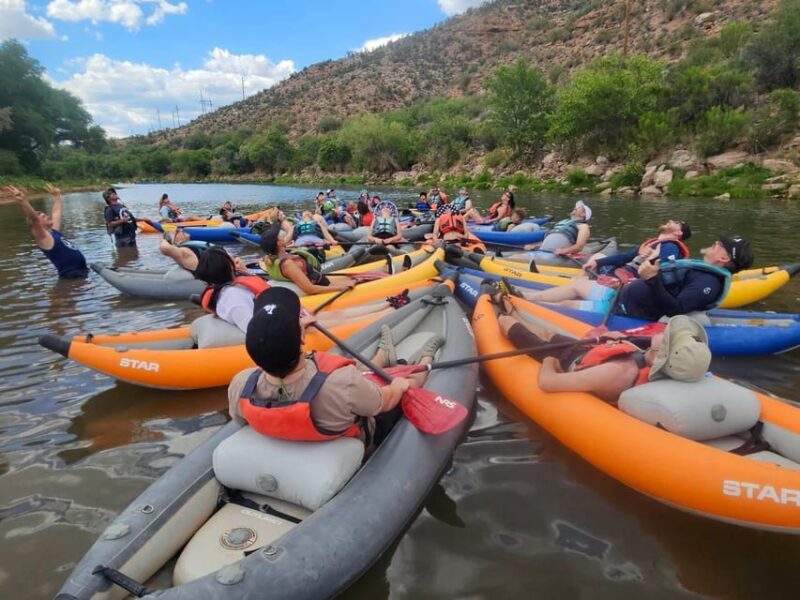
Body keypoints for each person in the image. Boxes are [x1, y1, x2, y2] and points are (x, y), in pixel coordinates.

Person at [227, 287, 444, 445]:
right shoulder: (342, 381)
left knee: (352, 377)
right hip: (354, 431)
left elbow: (241, 420)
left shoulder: (241, 384)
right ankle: (425, 362)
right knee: (403, 382)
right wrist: (398, 386)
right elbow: (385, 401)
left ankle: (382, 356)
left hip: (326, 404)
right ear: (302, 336)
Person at [496, 291, 711, 403]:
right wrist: (618, 342)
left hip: (564, 360)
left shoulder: (617, 372)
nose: (663, 332)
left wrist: (548, 360)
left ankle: (500, 310)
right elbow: (635, 357)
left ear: (661, 355)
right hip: (584, 352)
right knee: (543, 331)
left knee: (506, 323)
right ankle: (512, 309)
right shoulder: (650, 359)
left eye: (667, 338)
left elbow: (548, 383)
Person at [522, 235, 754, 321]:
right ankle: (528, 298)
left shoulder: (709, 284)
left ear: (724, 258)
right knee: (579, 283)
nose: (713, 245)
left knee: (566, 304)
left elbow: (676, 309)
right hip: (621, 294)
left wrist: (652, 280)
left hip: (625, 310)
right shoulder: (702, 271)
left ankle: (524, 308)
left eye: (717, 245)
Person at [3, 184, 88, 278]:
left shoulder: (53, 232)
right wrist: (24, 201)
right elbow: (34, 219)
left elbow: (56, 212)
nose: (47, 216)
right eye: (43, 216)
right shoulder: (43, 237)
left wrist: (57, 197)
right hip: (71, 277)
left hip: (80, 273)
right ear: (37, 224)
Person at [260, 224, 355, 295]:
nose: (282, 236)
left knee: (354, 280)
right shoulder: (287, 264)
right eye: (279, 236)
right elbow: (310, 289)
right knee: (354, 284)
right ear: (278, 243)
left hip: (320, 279)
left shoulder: (272, 258)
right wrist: (339, 288)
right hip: (320, 286)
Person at [583, 220, 692, 281]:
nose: (670, 221)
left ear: (679, 233)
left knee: (582, 283)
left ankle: (581, 282)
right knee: (597, 258)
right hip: (621, 272)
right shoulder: (653, 243)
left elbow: (662, 271)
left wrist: (635, 282)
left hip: (627, 280)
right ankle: (584, 278)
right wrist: (597, 263)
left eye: (676, 223)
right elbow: (626, 257)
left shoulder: (671, 247)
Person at [520, 200, 591, 256]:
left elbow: (579, 246)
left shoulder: (583, 226)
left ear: (583, 214)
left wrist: (564, 251)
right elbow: (551, 238)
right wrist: (535, 246)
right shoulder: (564, 222)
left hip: (556, 255)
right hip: (543, 251)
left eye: (579, 207)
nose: (575, 208)